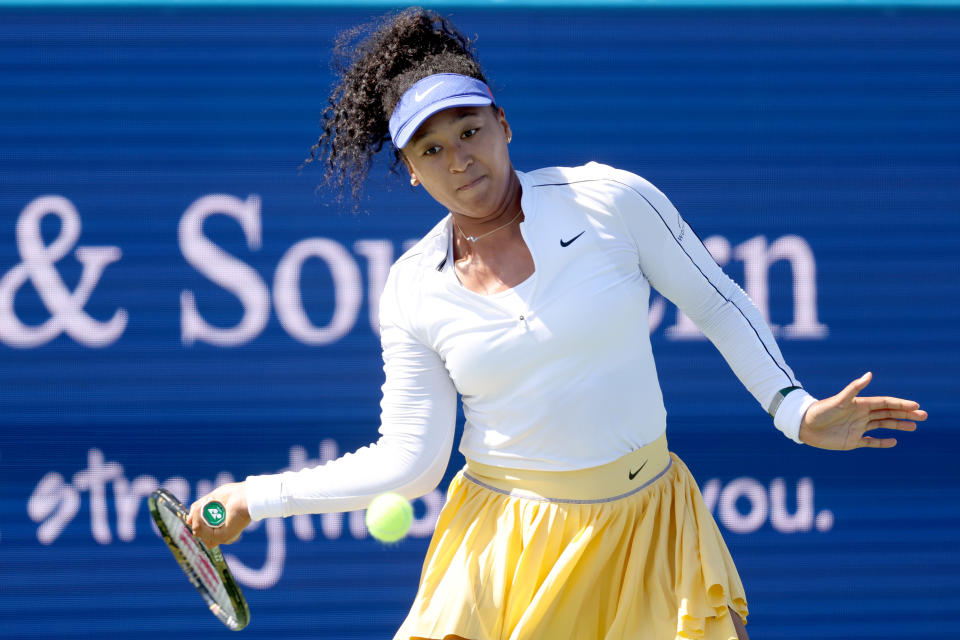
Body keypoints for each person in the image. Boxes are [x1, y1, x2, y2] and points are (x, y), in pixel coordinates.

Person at [187, 9, 926, 640]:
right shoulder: (412, 288)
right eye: (431, 150)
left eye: (470, 130)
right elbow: (409, 463)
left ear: (503, 124)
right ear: (412, 171)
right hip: (502, 543)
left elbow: (718, 301)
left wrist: (796, 413)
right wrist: (257, 496)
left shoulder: (610, 200)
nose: (459, 159)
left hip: (651, 532)